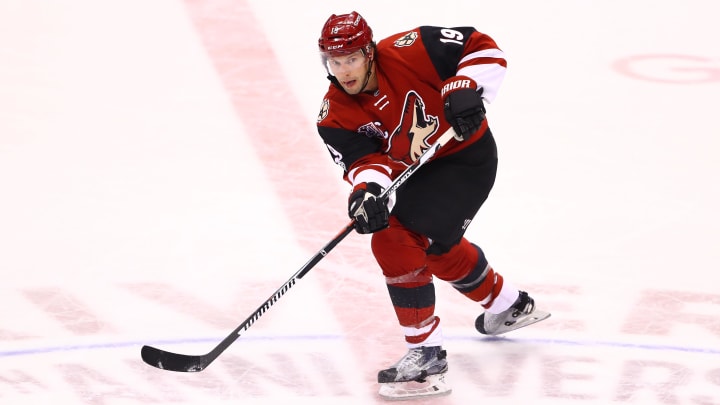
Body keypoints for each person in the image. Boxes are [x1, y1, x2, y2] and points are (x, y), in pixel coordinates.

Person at [315, 11, 550, 400]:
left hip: (464, 160)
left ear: (369, 52)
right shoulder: (334, 113)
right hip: (419, 172)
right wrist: (367, 192)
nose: (344, 70)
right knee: (433, 249)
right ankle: (511, 304)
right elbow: (364, 162)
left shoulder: (413, 48)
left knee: (394, 240)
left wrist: (464, 85)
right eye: (335, 62)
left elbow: (482, 46)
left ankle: (426, 355)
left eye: (351, 58)